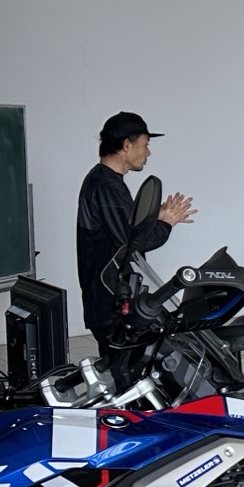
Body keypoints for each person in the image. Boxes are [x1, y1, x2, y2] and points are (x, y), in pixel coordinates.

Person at [76, 111, 194, 353]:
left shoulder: (104, 181)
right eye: (145, 144)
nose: (148, 152)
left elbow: (123, 230)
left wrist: (155, 218)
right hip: (110, 303)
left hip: (111, 301)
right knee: (123, 369)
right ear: (126, 145)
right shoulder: (107, 186)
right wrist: (166, 223)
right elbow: (133, 242)